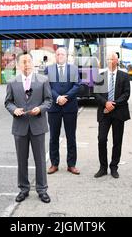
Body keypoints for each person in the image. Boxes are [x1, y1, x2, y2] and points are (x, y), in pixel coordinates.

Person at [5, 53, 53, 203]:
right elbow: (8, 102)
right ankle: (23, 189)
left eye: (29, 61)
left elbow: (48, 100)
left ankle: (42, 189)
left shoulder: (43, 80)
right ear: (19, 65)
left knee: (40, 160)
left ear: (33, 63)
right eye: (24, 62)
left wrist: (40, 109)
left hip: (37, 125)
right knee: (21, 160)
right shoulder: (12, 82)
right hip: (20, 127)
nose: (27, 64)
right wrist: (14, 110)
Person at [44, 47, 81, 175]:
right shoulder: (49, 69)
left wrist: (66, 97)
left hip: (70, 107)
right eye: (58, 54)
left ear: (66, 56)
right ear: (55, 56)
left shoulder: (74, 69)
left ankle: (71, 165)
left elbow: (77, 85)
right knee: (53, 137)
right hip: (54, 108)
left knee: (71, 137)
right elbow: (47, 86)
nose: (60, 56)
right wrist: (58, 97)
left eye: (62, 54)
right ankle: (54, 164)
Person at [93, 52, 130, 179]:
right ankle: (103, 168)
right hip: (104, 113)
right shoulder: (101, 76)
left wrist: (113, 104)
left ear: (117, 60)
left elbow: (126, 94)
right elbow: (96, 93)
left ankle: (114, 167)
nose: (110, 61)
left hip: (119, 112)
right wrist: (106, 104)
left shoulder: (124, 76)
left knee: (117, 141)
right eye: (108, 59)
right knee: (101, 139)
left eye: (112, 59)